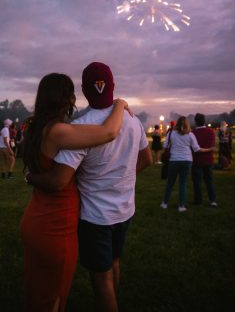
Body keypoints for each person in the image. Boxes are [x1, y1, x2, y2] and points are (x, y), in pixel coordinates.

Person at [27, 62, 152, 312]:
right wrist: (122, 176)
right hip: (125, 209)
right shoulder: (132, 121)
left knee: (101, 279)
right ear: (113, 85)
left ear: (84, 90)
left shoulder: (80, 128)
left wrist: (29, 177)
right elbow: (147, 159)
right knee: (114, 263)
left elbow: (59, 179)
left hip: (96, 215)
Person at [160, 116, 214, 212]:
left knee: (170, 183)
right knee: (183, 184)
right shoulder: (190, 134)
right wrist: (209, 149)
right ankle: (181, 206)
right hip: (187, 160)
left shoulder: (171, 133)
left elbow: (165, 145)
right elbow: (196, 149)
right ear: (187, 124)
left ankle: (164, 203)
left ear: (177, 123)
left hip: (174, 160)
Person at [191, 113, 217, 206]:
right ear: (204, 121)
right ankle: (213, 200)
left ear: (196, 122)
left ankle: (198, 201)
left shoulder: (193, 133)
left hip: (196, 160)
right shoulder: (211, 131)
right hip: (208, 159)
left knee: (197, 182)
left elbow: (192, 147)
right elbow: (213, 145)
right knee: (209, 181)